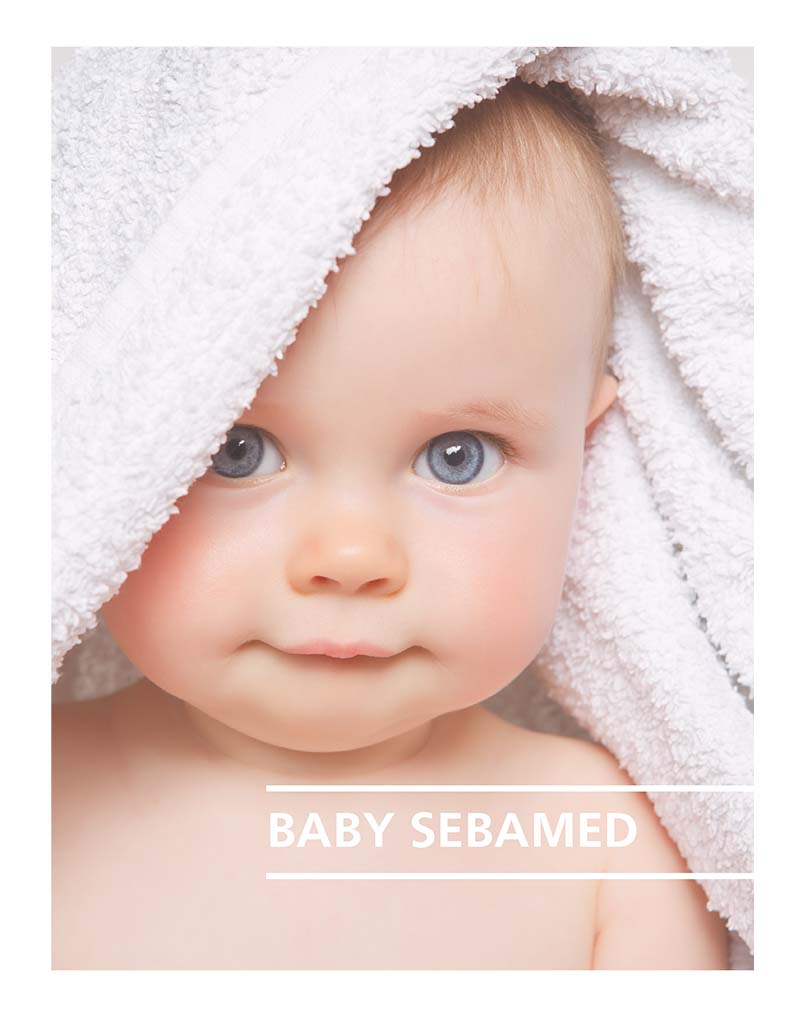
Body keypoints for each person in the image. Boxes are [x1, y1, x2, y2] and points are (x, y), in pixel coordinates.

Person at [52, 78, 730, 970]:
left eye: (459, 456)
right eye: (238, 451)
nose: (350, 558)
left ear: (588, 455)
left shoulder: (611, 844)